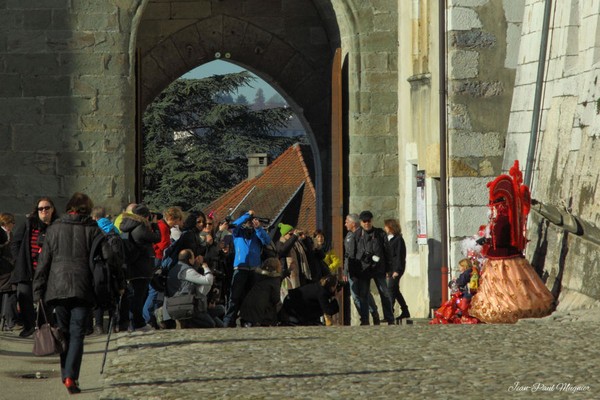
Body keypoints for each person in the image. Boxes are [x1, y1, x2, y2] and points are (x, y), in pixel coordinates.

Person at [32, 192, 102, 394]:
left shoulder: (54, 229)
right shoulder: (92, 230)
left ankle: (67, 375)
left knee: (63, 333)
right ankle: (71, 376)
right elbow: (104, 259)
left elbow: (43, 262)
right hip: (82, 287)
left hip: (57, 288)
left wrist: (38, 291)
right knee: (77, 333)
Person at [469, 161, 555, 323]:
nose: (492, 207)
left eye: (494, 204)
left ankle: (507, 308)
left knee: (504, 286)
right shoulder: (505, 217)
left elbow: (500, 240)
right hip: (508, 256)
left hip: (501, 259)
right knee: (515, 285)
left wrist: (487, 240)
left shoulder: (502, 220)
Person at [10, 197, 59, 337]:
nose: (44, 211)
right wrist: (18, 260)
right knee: (24, 297)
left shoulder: (57, 225)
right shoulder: (28, 224)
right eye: (40, 208)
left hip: (48, 271)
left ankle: (45, 329)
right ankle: (29, 326)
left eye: (47, 208)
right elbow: (15, 243)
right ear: (36, 211)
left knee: (46, 300)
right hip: (28, 269)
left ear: (52, 209)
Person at [222, 210, 271, 327]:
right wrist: (247, 215)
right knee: (234, 296)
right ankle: (229, 320)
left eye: (251, 220)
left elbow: (267, 241)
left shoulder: (257, 232)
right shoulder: (238, 232)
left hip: (254, 269)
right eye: (248, 221)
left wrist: (258, 228)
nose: (250, 222)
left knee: (250, 297)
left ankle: (247, 319)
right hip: (240, 268)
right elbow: (233, 225)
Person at [119, 204, 161, 332]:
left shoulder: (127, 226)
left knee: (134, 296)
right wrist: (155, 225)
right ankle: (138, 323)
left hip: (132, 266)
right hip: (141, 267)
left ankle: (131, 323)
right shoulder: (141, 228)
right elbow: (157, 238)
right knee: (138, 297)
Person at [144, 206, 183, 327]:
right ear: (172, 218)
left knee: (156, 290)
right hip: (157, 259)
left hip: (156, 258)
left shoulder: (162, 226)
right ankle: (147, 317)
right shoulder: (163, 227)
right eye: (177, 220)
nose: (177, 224)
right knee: (154, 290)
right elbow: (162, 245)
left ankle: (152, 317)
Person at [355, 210, 395, 325]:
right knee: (363, 295)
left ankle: (389, 318)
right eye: (364, 221)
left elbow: (387, 252)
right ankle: (365, 319)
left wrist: (389, 269)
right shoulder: (357, 235)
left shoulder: (380, 233)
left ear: (372, 221)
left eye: (369, 221)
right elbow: (353, 253)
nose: (367, 223)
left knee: (385, 293)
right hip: (364, 269)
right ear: (361, 222)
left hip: (379, 268)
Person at [165, 249, 222, 328]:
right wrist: (205, 266)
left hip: (180, 303)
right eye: (193, 257)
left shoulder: (176, 268)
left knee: (220, 312)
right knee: (211, 323)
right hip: (187, 306)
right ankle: (187, 325)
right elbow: (208, 280)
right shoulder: (187, 271)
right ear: (189, 260)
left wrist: (196, 265)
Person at [343, 213, 380, 325]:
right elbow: (347, 255)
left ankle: (372, 314)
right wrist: (345, 270)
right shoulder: (349, 235)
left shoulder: (364, 234)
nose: (345, 224)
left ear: (353, 223)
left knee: (364, 294)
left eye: (347, 222)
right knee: (356, 296)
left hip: (364, 269)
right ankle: (364, 318)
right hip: (352, 270)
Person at [239, 257, 282, 327]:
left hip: (246, 311)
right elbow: (275, 298)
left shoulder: (258, 276)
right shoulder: (274, 280)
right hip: (260, 315)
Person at [383, 218, 410, 323]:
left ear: (391, 227)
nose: (385, 228)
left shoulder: (398, 239)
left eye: (386, 226)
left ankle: (389, 313)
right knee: (395, 290)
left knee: (390, 289)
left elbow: (399, 256)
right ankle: (405, 310)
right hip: (391, 269)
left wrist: (397, 270)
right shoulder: (389, 238)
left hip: (396, 269)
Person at [0, 213, 17, 331]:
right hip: (3, 269)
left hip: (8, 268)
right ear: (6, 222)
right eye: (12, 222)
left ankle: (8, 321)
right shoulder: (2, 233)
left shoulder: (10, 234)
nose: (14, 225)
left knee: (9, 293)